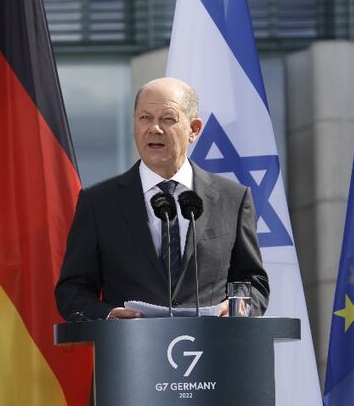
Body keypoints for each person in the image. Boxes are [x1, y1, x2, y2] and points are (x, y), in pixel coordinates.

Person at [55, 77, 268, 320]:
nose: (154, 129)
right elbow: (72, 291)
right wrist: (109, 314)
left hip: (213, 350)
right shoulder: (98, 203)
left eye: (167, 119)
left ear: (194, 129)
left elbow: (254, 282)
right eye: (144, 118)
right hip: (131, 351)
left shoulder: (233, 198)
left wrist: (237, 307)